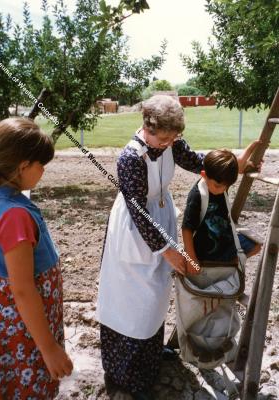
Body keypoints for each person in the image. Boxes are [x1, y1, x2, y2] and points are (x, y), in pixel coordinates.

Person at [96, 95, 259, 400]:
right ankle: (125, 376)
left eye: (174, 137)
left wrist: (233, 165)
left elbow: (200, 163)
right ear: (147, 126)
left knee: (156, 295)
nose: (169, 143)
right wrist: (169, 251)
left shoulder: (171, 144)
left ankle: (150, 359)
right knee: (132, 300)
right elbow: (138, 212)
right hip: (135, 228)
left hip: (160, 219)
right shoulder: (130, 159)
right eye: (164, 137)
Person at [0, 118, 73, 399]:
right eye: (40, 164)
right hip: (22, 328)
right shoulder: (15, 216)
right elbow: (22, 288)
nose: (43, 171)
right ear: (22, 166)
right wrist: (49, 348)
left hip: (13, 319)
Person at [182, 148, 262, 270]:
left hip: (225, 242)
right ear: (204, 175)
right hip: (204, 249)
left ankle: (231, 265)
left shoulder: (220, 181)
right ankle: (224, 267)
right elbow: (187, 229)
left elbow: (237, 166)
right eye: (218, 186)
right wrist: (191, 259)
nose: (223, 190)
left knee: (256, 246)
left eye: (227, 186)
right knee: (205, 278)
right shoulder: (197, 195)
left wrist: (251, 164)